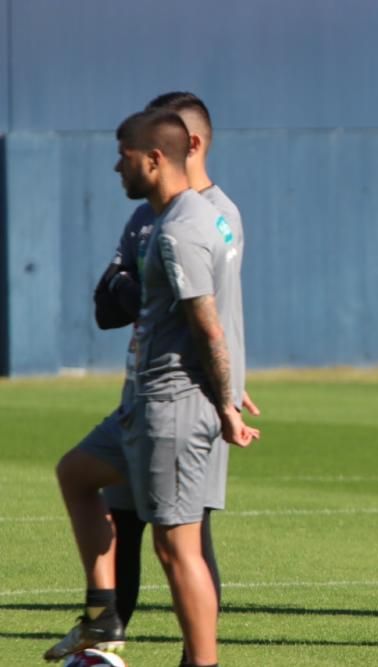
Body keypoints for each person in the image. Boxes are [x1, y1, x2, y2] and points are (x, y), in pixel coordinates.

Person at [45, 109, 258, 667]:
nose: (118, 167)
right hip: (141, 404)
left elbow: (208, 328)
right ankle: (103, 612)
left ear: (156, 159)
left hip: (175, 410)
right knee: (76, 472)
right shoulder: (160, 221)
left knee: (177, 548)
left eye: (125, 157)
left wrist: (227, 406)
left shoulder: (184, 229)